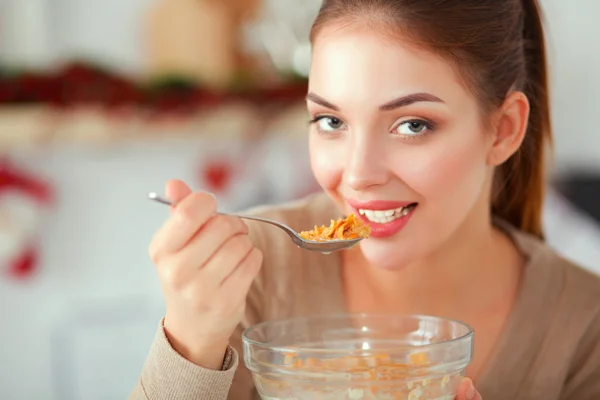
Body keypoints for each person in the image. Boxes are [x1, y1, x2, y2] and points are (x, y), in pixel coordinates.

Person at [130, 0, 600, 399]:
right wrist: (190, 344)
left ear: (503, 130)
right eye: (331, 122)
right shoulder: (252, 270)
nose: (357, 175)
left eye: (413, 125)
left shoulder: (582, 326)